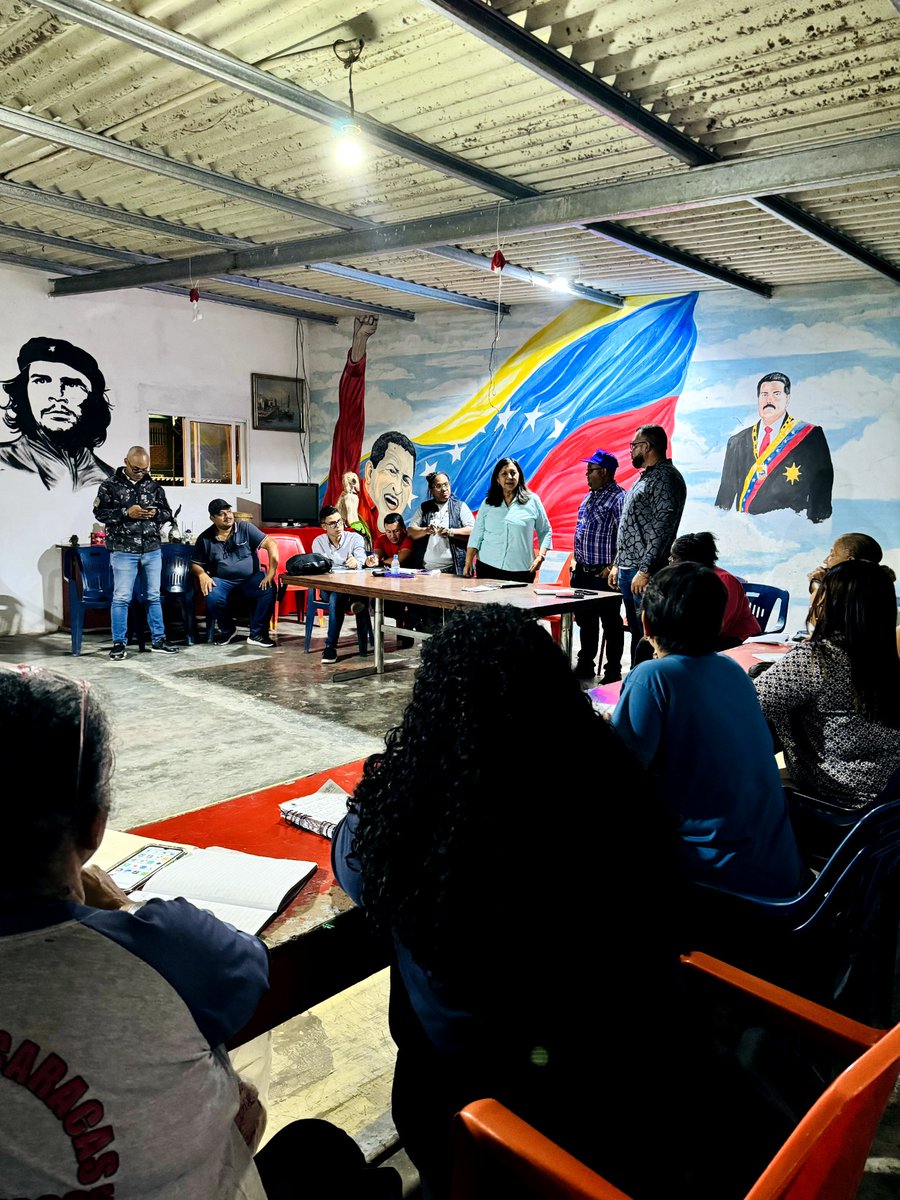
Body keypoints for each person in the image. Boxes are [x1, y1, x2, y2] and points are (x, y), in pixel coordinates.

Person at [0, 664, 399, 1200]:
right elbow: (249, 969)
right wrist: (121, 906)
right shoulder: (161, 946)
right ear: (96, 825)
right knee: (320, 1149)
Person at [332, 605, 688, 1200]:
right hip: (626, 1093)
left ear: (434, 705)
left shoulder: (411, 817)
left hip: (481, 1124)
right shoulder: (616, 787)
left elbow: (355, 863)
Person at [612, 562, 805, 897]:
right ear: (720, 622)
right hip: (779, 871)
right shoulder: (732, 670)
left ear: (644, 622)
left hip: (717, 881)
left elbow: (617, 776)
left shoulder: (653, 676)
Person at [755, 560, 900, 808]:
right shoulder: (886, 653)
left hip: (839, 802)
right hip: (887, 797)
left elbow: (745, 706)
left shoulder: (816, 659)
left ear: (828, 603)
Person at [608, 425, 686, 666]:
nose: (631, 451)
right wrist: (617, 564)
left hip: (646, 573)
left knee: (649, 637)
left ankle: (646, 683)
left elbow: (662, 529)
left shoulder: (666, 478)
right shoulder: (648, 476)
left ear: (647, 447)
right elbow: (631, 526)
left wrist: (645, 569)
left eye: (634, 446)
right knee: (637, 634)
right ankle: (635, 677)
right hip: (629, 569)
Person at [93, 445, 179, 660]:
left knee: (153, 596)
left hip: (151, 549)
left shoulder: (154, 486)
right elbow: (100, 513)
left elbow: (167, 512)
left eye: (145, 469)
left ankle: (159, 639)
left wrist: (157, 513)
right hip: (123, 550)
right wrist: (126, 512)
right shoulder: (109, 486)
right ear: (126, 462)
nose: (142, 473)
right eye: (137, 469)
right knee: (121, 598)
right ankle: (119, 644)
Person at [715, 372, 833, 523]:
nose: (769, 399)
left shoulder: (810, 436)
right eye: (764, 394)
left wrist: (816, 525)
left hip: (790, 528)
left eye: (776, 394)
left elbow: (821, 486)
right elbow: (726, 493)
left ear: (787, 398)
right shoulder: (737, 441)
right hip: (746, 530)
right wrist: (720, 524)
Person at [0, 336, 114, 490]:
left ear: (93, 399)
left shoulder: (109, 479)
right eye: (41, 381)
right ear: (23, 392)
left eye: (72, 384)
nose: (57, 395)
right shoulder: (4, 464)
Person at [192, 500, 279, 649]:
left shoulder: (245, 528)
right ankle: (228, 630)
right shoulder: (205, 538)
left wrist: (271, 572)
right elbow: (195, 564)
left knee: (269, 587)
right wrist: (202, 574)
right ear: (212, 518)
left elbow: (271, 544)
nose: (228, 516)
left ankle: (257, 634)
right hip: (223, 581)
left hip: (251, 579)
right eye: (221, 514)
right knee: (211, 592)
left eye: (229, 511)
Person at [571, 448, 625, 682]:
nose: (586, 475)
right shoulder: (589, 496)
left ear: (604, 471)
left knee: (611, 624)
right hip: (582, 571)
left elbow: (624, 535)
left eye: (590, 470)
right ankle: (586, 665)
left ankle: (612, 671)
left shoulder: (619, 498)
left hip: (603, 573)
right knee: (585, 622)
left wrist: (613, 565)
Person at [463, 457, 551, 581]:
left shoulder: (533, 501)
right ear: (497, 479)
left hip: (520, 570)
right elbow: (476, 535)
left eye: (513, 473)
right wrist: (468, 562)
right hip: (487, 567)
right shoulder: (488, 503)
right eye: (504, 474)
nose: (509, 477)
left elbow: (545, 531)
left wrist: (541, 556)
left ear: (519, 476)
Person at [669, 531, 760, 648]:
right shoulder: (687, 578)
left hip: (735, 638)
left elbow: (719, 623)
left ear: (691, 560)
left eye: (675, 557)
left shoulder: (724, 580)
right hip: (703, 633)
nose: (670, 560)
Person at [311, 506, 378, 665]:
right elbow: (321, 568)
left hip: (350, 586)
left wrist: (358, 562)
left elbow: (362, 559)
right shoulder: (318, 542)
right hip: (329, 587)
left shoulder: (355, 538)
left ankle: (330, 647)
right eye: (332, 523)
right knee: (336, 595)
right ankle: (355, 603)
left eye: (340, 521)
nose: (338, 526)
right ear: (324, 526)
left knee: (337, 597)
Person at [408, 471, 474, 575]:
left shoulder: (460, 506)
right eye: (438, 486)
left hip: (454, 570)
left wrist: (450, 532)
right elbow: (411, 531)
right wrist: (426, 530)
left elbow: (473, 532)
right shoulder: (424, 508)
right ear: (431, 490)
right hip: (426, 570)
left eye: (446, 484)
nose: (444, 489)